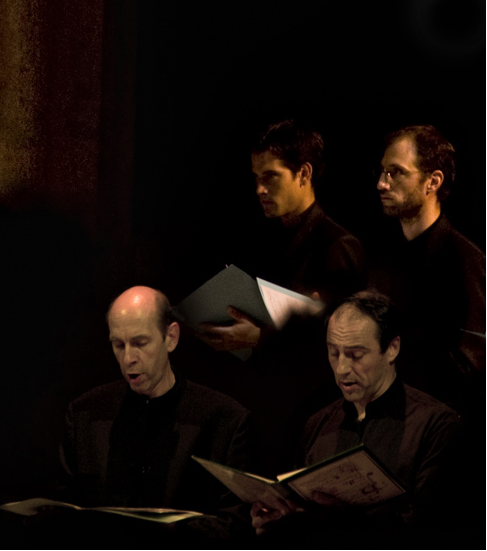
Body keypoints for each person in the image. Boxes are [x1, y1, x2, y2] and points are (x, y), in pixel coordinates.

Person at [186, 120, 365, 476]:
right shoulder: (266, 240)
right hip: (264, 412)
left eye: (270, 177)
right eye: (256, 178)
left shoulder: (337, 246)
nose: (259, 189)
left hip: (311, 423)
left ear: (304, 174)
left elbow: (343, 346)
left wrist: (260, 338)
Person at [249, 291, 468, 549]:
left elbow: (431, 534)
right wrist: (276, 522)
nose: (342, 369)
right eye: (334, 353)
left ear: (392, 348)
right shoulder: (318, 424)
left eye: (356, 355)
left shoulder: (436, 425)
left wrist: (346, 523)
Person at [40, 286, 256, 545]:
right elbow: (65, 507)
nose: (128, 358)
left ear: (171, 337)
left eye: (140, 343)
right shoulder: (85, 413)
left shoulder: (226, 420)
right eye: (118, 345)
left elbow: (237, 526)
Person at [368, 124, 485, 416]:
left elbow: (470, 369)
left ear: (432, 182)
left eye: (396, 172)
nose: (381, 184)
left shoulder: (466, 262)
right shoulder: (381, 255)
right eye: (383, 172)